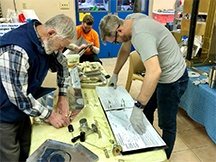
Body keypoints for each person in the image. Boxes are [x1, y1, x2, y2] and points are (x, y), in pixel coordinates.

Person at [99, 13, 188, 159]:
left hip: (173, 78)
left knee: (166, 122)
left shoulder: (140, 34)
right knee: (146, 111)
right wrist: (115, 73)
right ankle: (146, 146)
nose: (117, 44)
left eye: (115, 41)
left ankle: (163, 158)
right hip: (160, 74)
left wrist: (138, 105)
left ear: (119, 31)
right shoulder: (129, 21)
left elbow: (154, 72)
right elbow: (125, 50)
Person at [0, 14, 77, 162]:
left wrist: (63, 97)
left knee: (26, 147)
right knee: (10, 156)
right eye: (61, 46)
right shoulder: (16, 50)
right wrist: (50, 115)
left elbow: (63, 65)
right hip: (3, 114)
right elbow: (20, 98)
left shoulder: (45, 41)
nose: (61, 51)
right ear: (51, 33)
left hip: (21, 110)